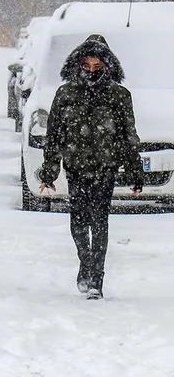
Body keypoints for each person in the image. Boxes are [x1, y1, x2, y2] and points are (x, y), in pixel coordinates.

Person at [37, 34, 143, 300]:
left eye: (97, 66)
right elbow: (54, 136)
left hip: (105, 168)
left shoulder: (119, 96)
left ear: (107, 65)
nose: (92, 71)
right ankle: (85, 263)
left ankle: (97, 276)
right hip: (76, 167)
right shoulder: (66, 93)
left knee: (100, 221)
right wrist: (50, 172)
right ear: (79, 63)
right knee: (78, 221)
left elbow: (129, 136)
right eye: (87, 65)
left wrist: (134, 172)